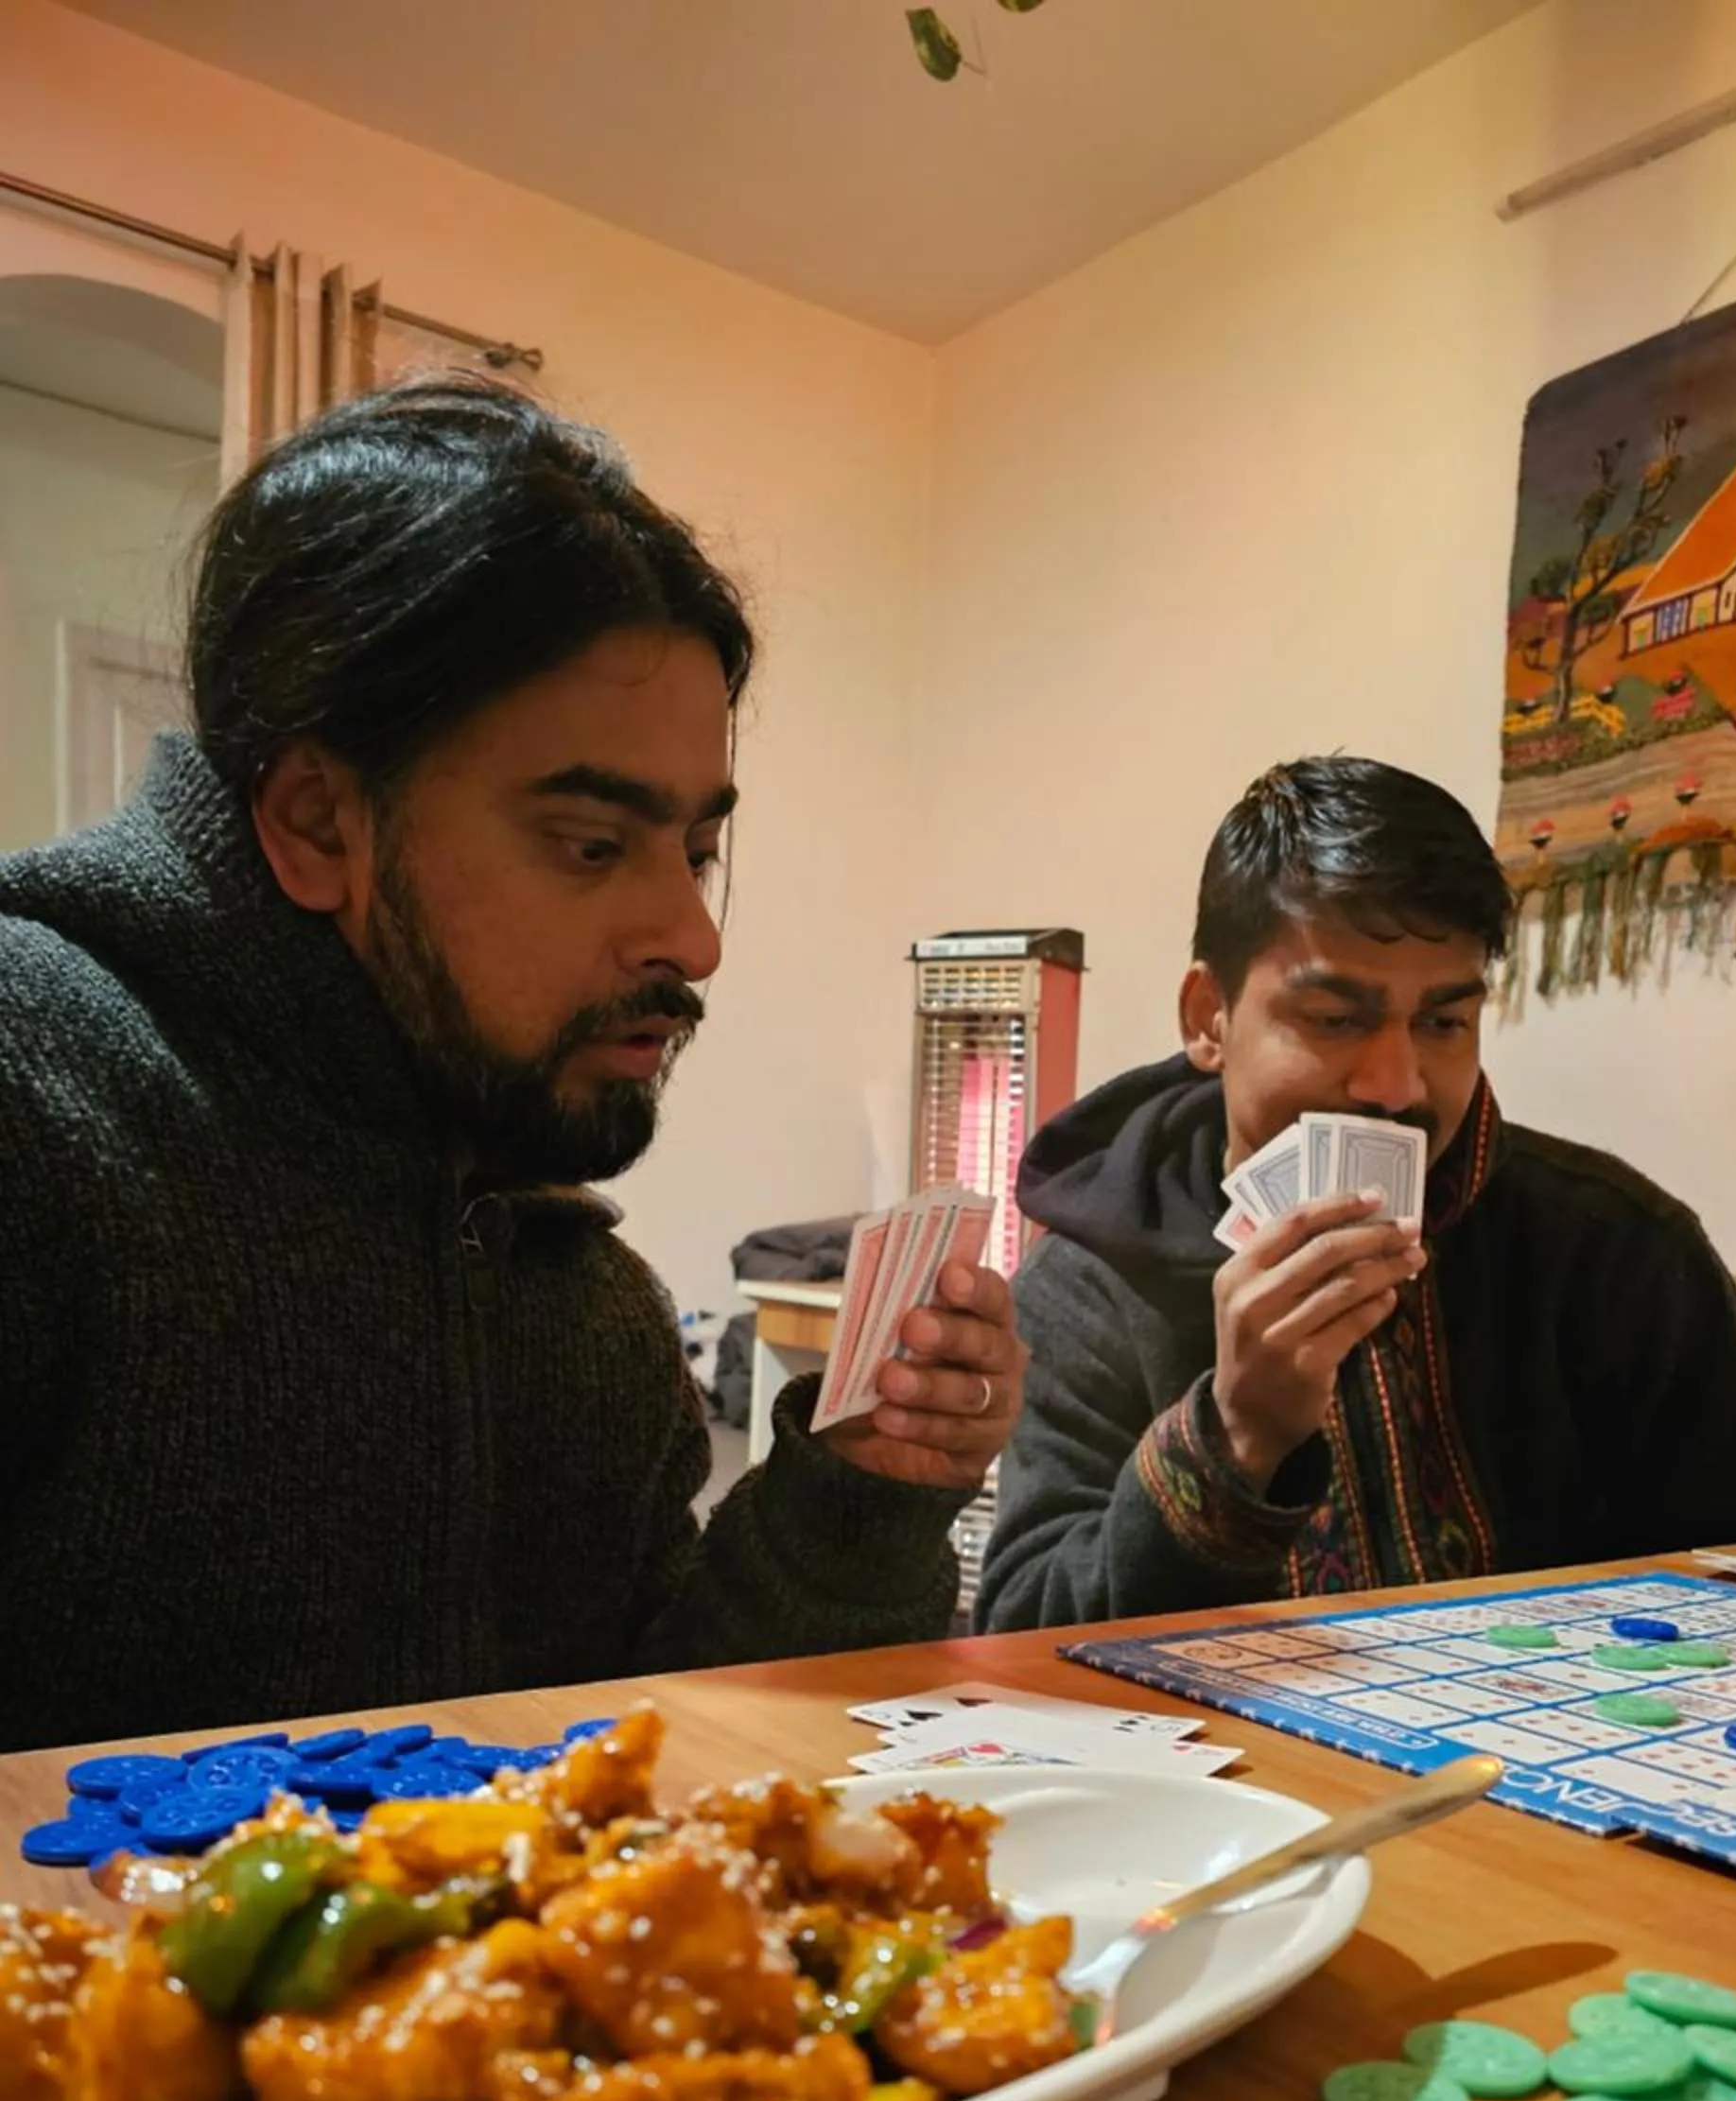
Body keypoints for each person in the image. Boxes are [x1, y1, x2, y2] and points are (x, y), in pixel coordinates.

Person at [0, 378, 1024, 1751]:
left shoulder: (576, 1300)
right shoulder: (32, 1101)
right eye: (592, 845)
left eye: (699, 851)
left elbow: (645, 1765)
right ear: (317, 820)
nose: (693, 936)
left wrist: (858, 1489)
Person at [977, 755, 1736, 1631]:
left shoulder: (1616, 1247)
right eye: (1335, 1018)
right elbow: (1022, 1635)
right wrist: (1235, 1434)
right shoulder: (1089, 1277)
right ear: (1209, 1017)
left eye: (1443, 1022)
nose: (1395, 1085)